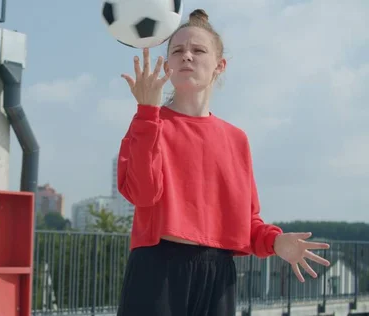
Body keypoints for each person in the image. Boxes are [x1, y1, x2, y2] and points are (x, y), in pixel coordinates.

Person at [115, 8, 331, 316]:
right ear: (167, 64)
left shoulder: (236, 139)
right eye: (177, 50)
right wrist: (147, 113)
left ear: (220, 65)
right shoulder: (149, 122)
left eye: (198, 50)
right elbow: (142, 194)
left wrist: (276, 241)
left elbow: (248, 222)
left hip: (219, 276)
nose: (186, 56)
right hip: (157, 270)